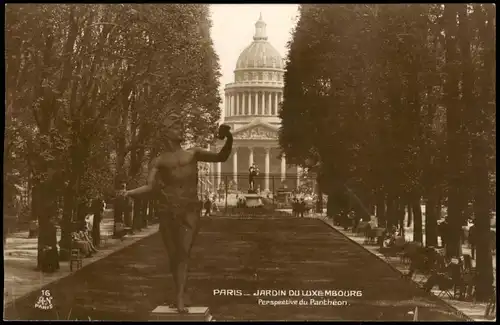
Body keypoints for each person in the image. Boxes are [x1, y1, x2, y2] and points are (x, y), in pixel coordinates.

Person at [123, 119, 233, 313]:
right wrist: (129, 193)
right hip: (168, 210)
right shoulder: (159, 161)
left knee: (183, 252)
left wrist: (229, 138)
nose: (180, 129)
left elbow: (221, 157)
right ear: (166, 133)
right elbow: (150, 187)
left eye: (181, 127)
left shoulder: (194, 153)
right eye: (175, 127)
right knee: (174, 255)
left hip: (190, 209)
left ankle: (180, 297)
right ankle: (180, 291)